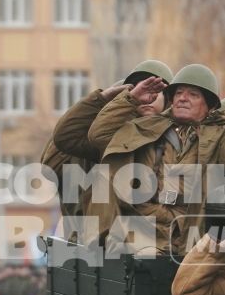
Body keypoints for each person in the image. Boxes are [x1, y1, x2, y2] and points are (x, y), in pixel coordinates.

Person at [83, 63, 225, 254]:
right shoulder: (149, 127)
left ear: (210, 105)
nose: (183, 99)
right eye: (178, 93)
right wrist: (131, 99)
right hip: (145, 225)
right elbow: (98, 134)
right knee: (130, 255)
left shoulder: (222, 136)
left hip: (190, 228)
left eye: (193, 95)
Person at [45, 60, 169, 224]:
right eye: (140, 90)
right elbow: (62, 144)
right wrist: (101, 100)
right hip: (102, 233)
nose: (149, 97)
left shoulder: (176, 134)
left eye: (157, 91)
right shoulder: (110, 136)